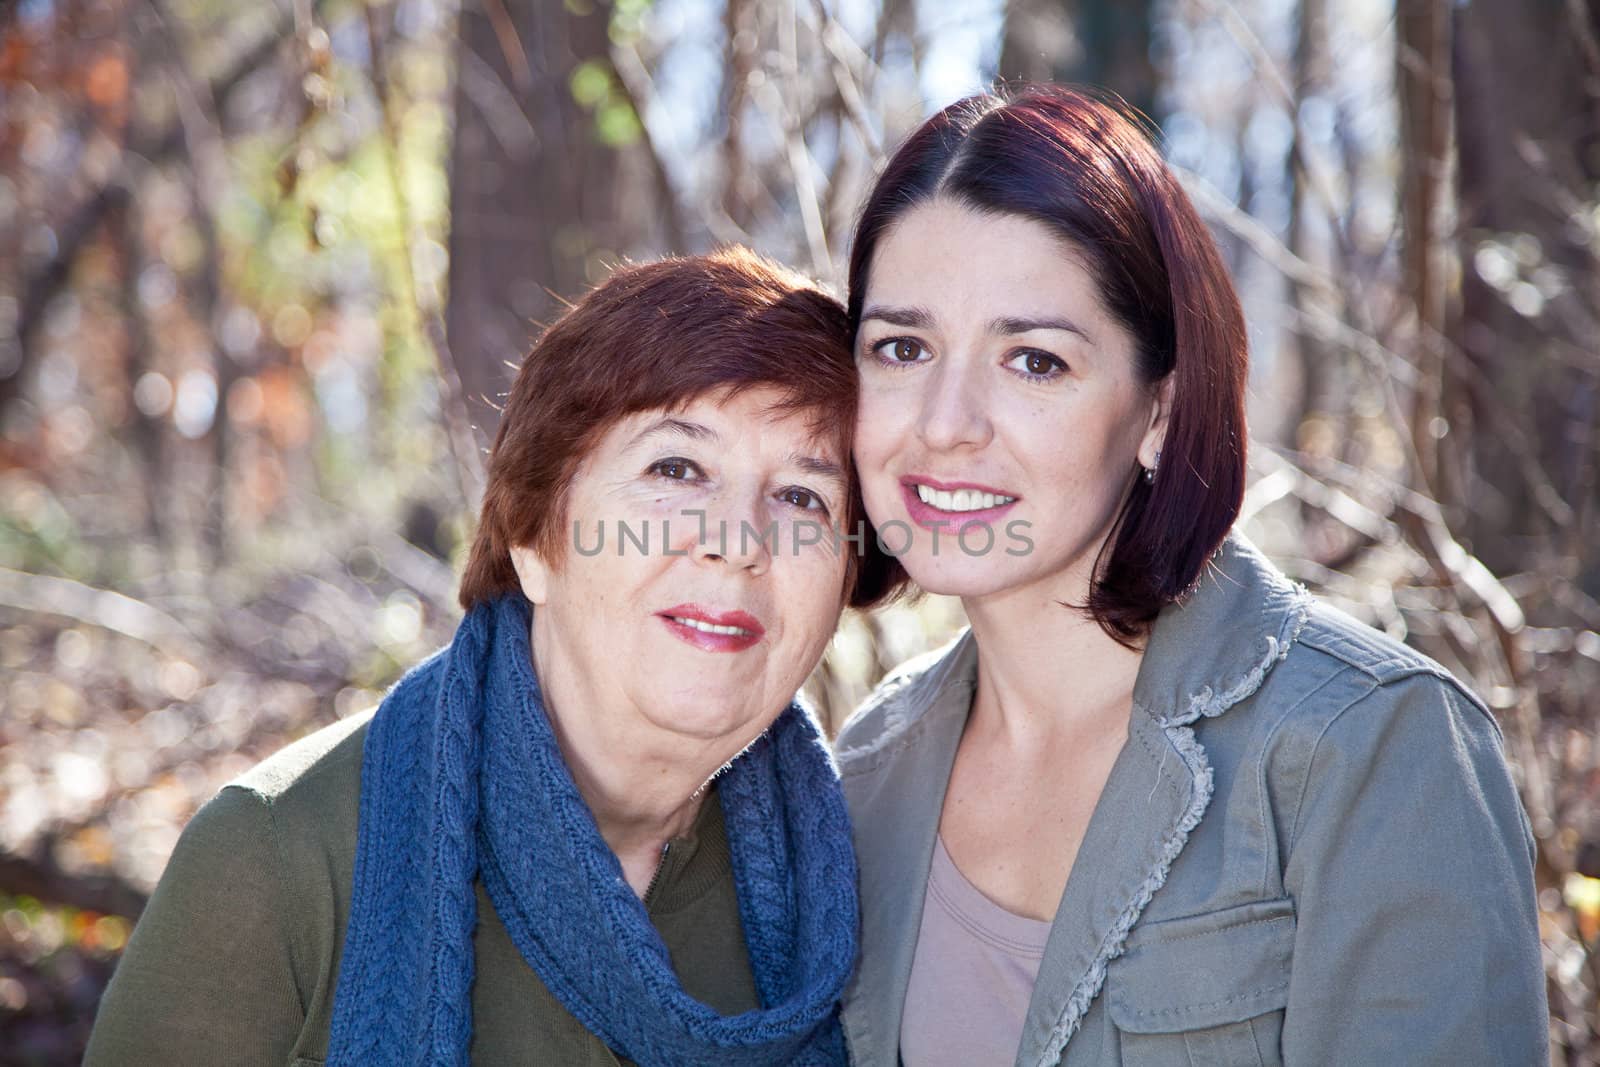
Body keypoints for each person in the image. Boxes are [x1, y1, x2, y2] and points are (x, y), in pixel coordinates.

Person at [834, 85, 1548, 1066]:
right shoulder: (870, 766)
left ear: (1160, 413)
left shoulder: (1372, 744)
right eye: (901, 348)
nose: (946, 421)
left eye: (1034, 361)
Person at [86, 247, 898, 1066]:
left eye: (802, 496)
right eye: (677, 467)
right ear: (533, 539)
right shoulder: (271, 860)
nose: (740, 542)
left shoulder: (859, 880)